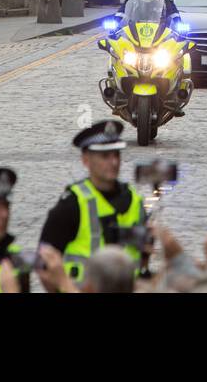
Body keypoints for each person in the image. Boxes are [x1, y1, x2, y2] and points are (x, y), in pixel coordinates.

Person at [39, 121, 146, 288]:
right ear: (86, 160)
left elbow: (141, 255)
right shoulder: (71, 205)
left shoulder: (134, 201)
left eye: (116, 154)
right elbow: (44, 262)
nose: (113, 162)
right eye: (105, 156)